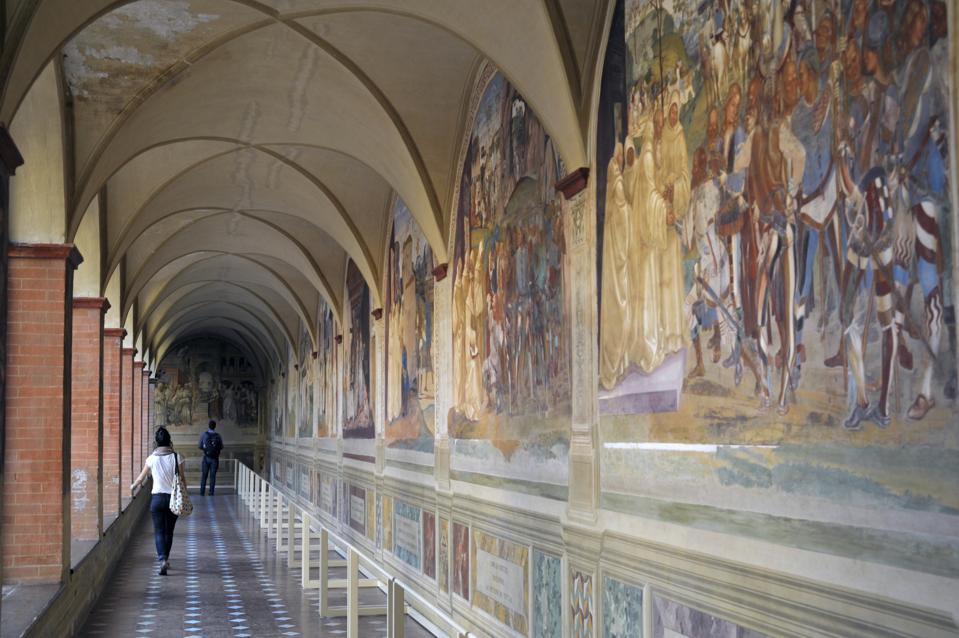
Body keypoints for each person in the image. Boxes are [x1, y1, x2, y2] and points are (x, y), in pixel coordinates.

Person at [131, 427, 184, 575]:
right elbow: (182, 481)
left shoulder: (151, 459)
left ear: (156, 442)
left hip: (157, 499)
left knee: (159, 531)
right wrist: (185, 495)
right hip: (174, 498)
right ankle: (166, 558)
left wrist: (132, 487)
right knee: (169, 531)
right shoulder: (177, 457)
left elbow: (141, 478)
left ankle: (162, 559)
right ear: (170, 441)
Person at [198, 420, 223, 496]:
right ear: (215, 426)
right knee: (213, 476)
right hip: (215, 459)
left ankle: (202, 492)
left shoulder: (204, 435)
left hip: (206, 458)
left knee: (204, 476)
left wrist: (206, 449)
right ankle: (211, 492)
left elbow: (199, 446)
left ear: (209, 426)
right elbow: (221, 447)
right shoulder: (218, 436)